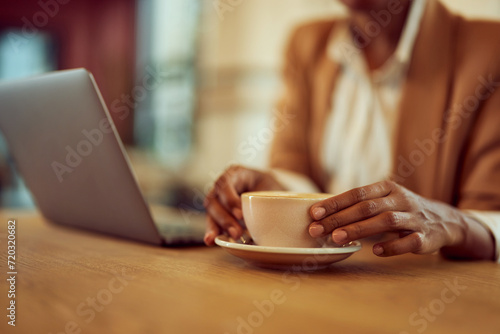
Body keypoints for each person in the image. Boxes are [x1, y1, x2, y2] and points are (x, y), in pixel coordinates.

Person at [203, 0, 500, 261]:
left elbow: (492, 218)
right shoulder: (307, 44)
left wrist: (452, 222)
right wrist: (272, 188)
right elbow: (297, 171)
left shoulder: (488, 49)